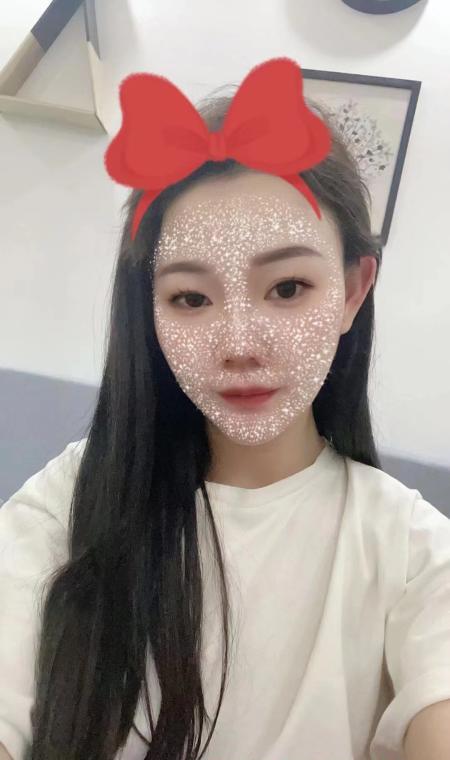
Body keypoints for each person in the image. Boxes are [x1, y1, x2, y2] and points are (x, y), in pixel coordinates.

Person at [1, 82, 450, 760]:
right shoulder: (67, 501)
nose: (239, 344)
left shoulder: (414, 553)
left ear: (353, 290)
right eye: (190, 298)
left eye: (288, 287)